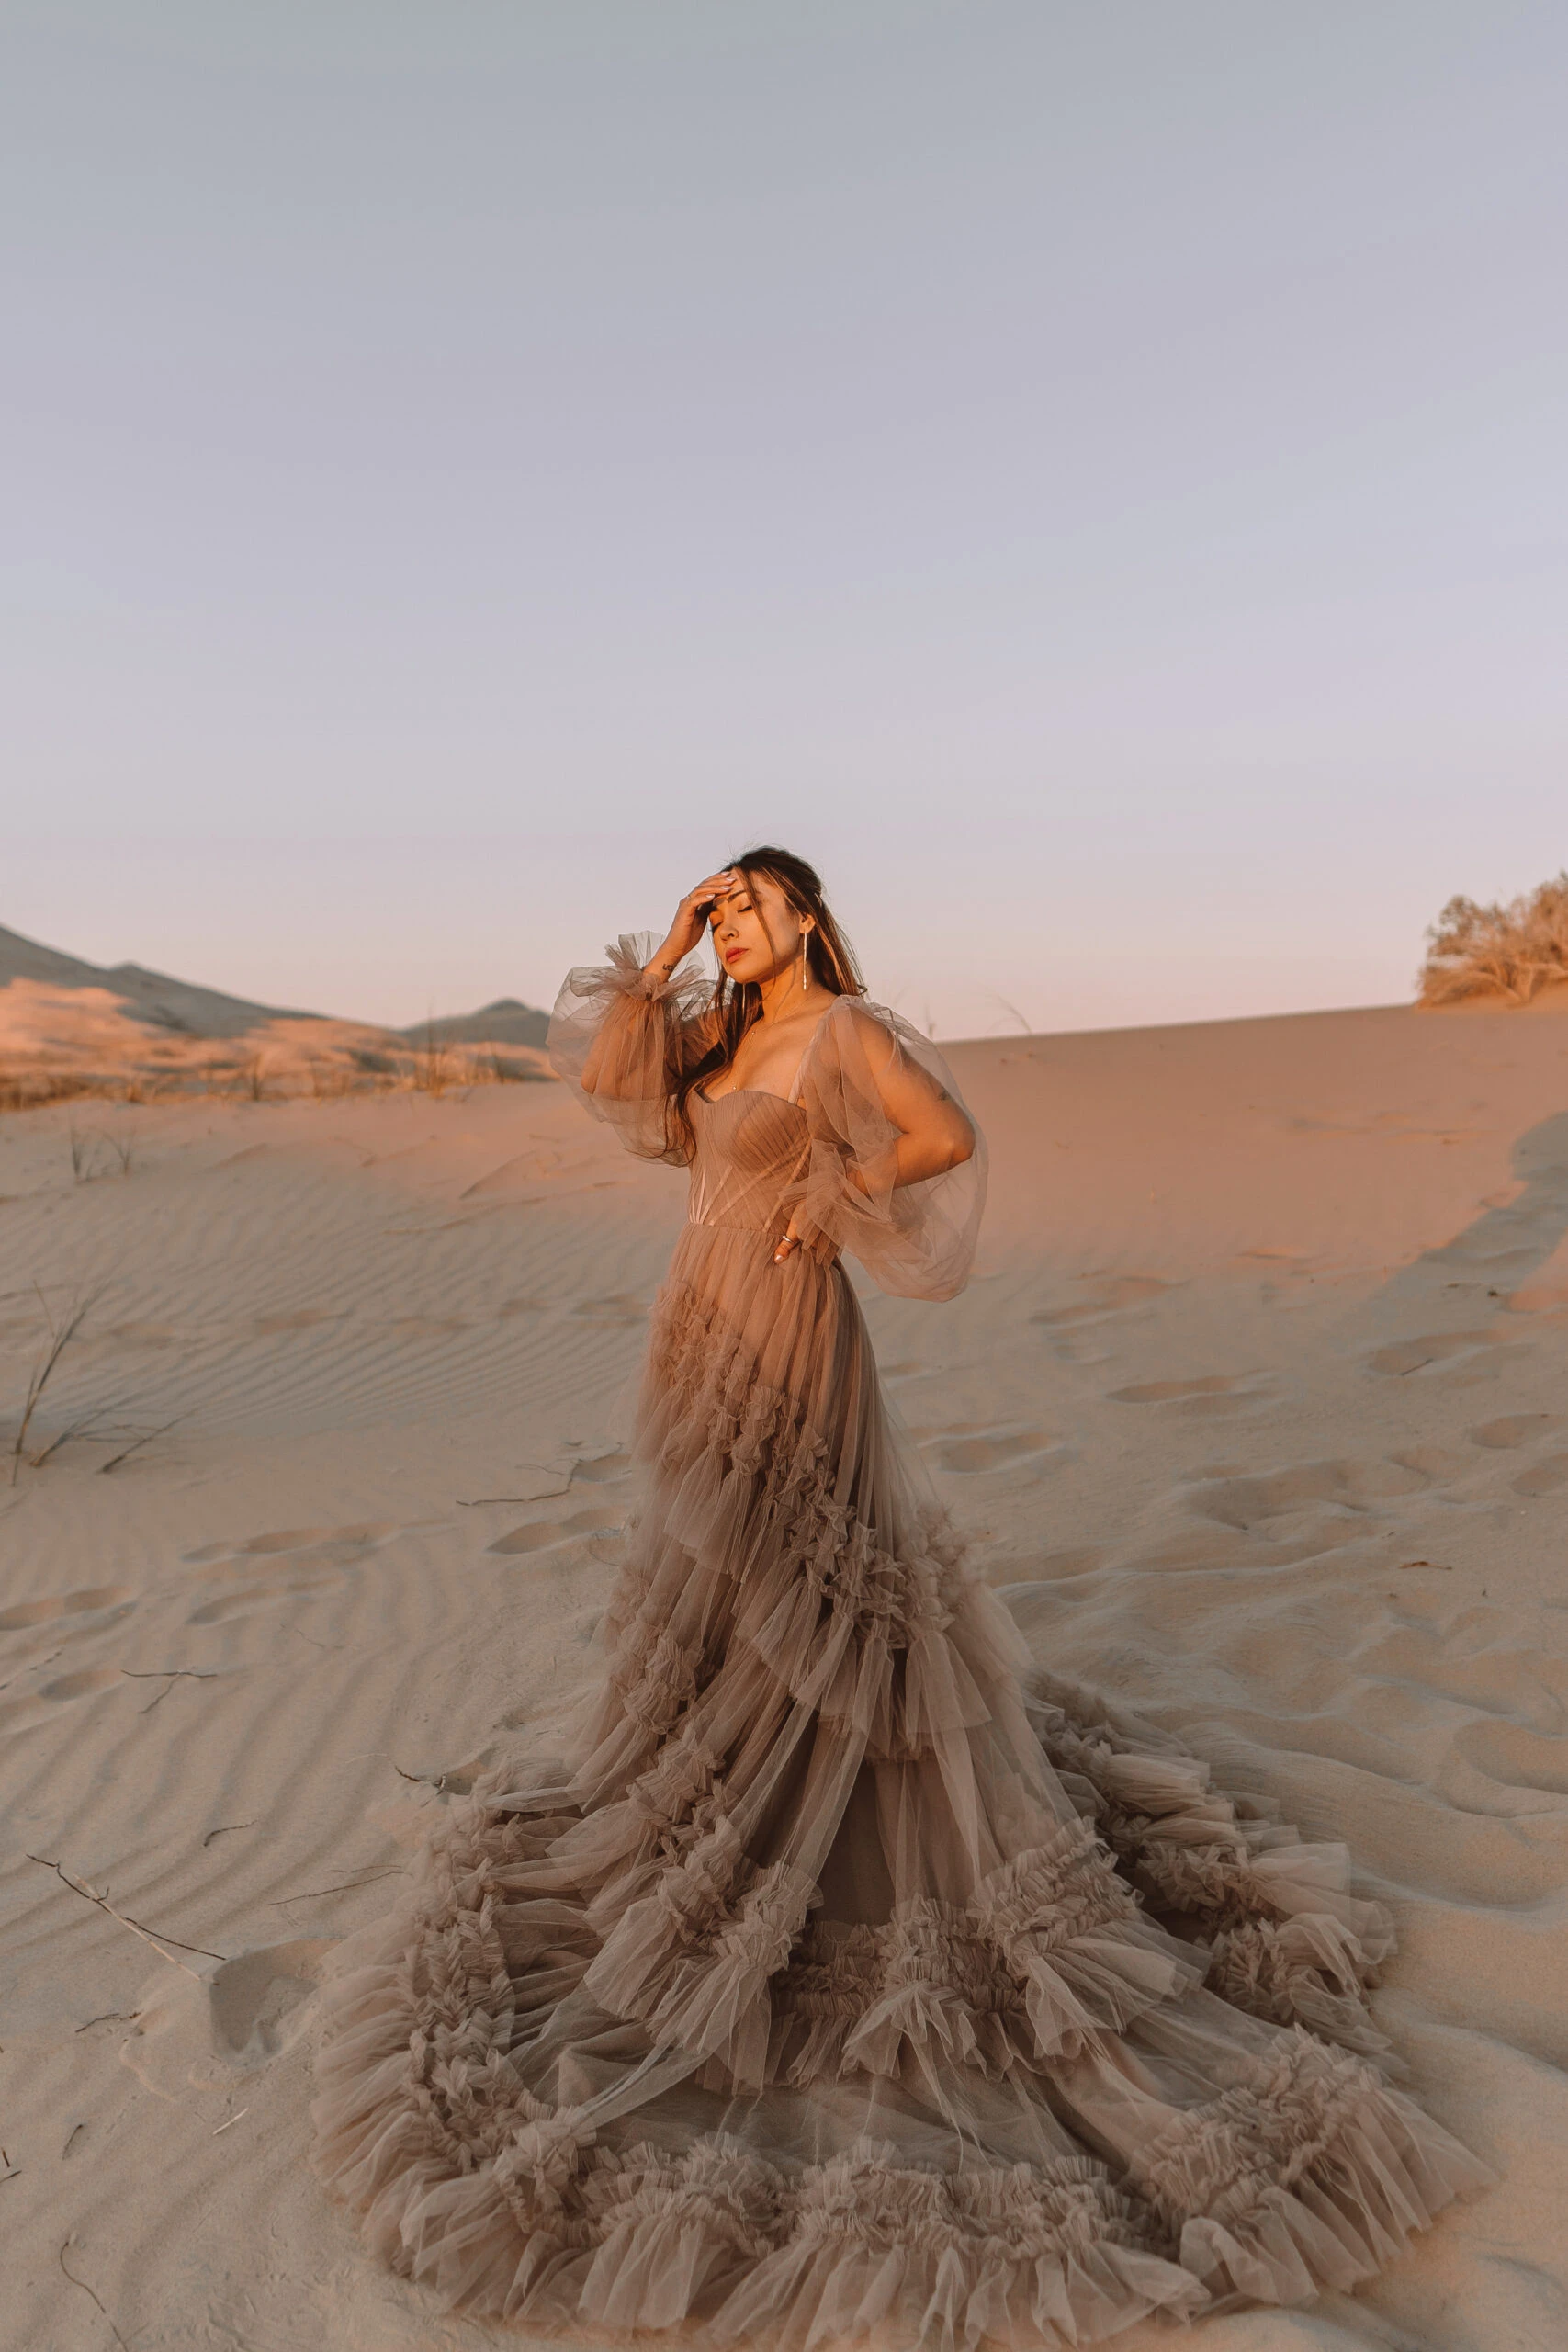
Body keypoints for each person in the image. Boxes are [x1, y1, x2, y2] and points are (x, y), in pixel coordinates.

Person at [313, 847, 1489, 2346]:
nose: (730, 922)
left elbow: (943, 1140)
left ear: (805, 912)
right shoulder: (715, 1032)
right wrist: (670, 947)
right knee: (713, 1588)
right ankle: (732, 1774)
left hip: (794, 1329)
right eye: (717, 906)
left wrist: (830, 1187)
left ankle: (830, 1807)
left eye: (746, 902)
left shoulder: (845, 1031)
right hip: (700, 1325)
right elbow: (615, 1082)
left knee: (812, 1578)